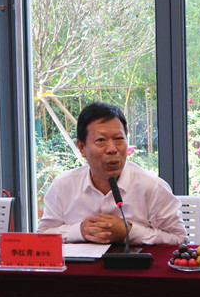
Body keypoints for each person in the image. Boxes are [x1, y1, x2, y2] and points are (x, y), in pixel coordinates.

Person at [38, 102, 188, 245]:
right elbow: (43, 235)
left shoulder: (152, 187)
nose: (112, 149)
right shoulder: (63, 186)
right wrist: (80, 231)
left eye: (118, 139)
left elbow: (180, 239)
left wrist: (128, 232)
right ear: (82, 147)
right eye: (101, 140)